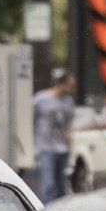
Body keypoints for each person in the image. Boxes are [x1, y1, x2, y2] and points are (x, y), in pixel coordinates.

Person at [33, 72, 77, 203]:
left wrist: (69, 133)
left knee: (61, 184)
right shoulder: (41, 99)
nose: (71, 88)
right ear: (61, 84)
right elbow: (31, 118)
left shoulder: (68, 101)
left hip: (62, 147)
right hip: (45, 146)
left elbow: (70, 120)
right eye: (69, 85)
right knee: (48, 183)